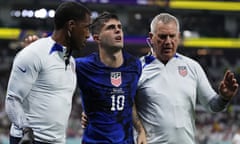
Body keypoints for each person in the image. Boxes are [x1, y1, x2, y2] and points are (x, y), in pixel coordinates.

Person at [135, 13, 239, 144]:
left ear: (178, 37)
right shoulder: (136, 69)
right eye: (162, 36)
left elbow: (212, 106)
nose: (168, 41)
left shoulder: (192, 67)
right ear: (151, 38)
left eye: (172, 36)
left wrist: (224, 98)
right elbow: (126, 111)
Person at [5, 2, 91, 144]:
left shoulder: (72, 62)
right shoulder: (33, 53)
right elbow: (12, 100)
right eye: (86, 27)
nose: (88, 35)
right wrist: (26, 133)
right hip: (29, 140)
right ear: (71, 26)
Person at [75, 12, 146, 144]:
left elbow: (130, 102)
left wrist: (141, 130)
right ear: (97, 38)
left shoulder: (134, 65)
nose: (118, 30)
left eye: (119, 26)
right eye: (111, 27)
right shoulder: (82, 66)